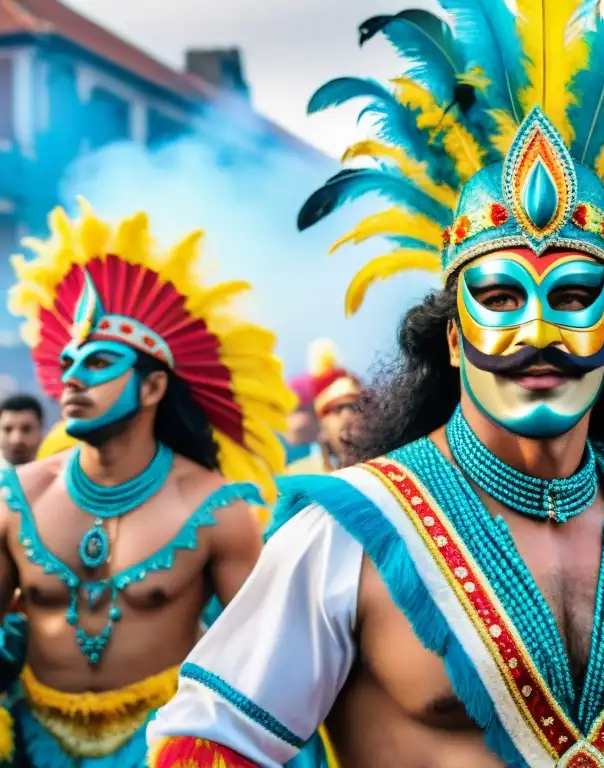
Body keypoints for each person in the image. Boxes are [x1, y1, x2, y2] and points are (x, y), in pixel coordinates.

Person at [146, 1, 604, 765]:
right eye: (502, 298)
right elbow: (210, 742)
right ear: (451, 336)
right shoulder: (353, 530)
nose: (537, 331)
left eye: (575, 298)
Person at [0, 201, 296, 766]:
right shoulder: (17, 499)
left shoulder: (216, 509)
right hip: (29, 744)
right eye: (68, 362)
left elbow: (265, 665)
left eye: (99, 361)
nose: (72, 378)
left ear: (154, 387)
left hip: (163, 748)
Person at [285, 339, 362, 475]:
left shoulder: (390, 465)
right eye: (336, 409)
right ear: (321, 427)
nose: (347, 415)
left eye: (355, 407)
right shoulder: (298, 477)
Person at [0, 395, 43, 467]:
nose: (17, 439)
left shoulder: (61, 474)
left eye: (26, 429)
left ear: (41, 430)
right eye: (8, 429)